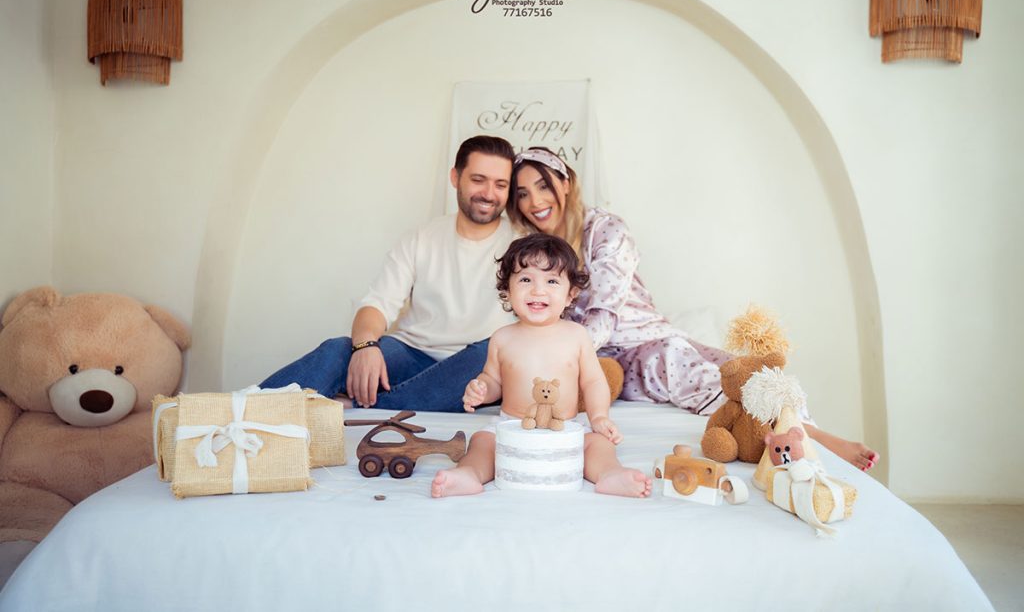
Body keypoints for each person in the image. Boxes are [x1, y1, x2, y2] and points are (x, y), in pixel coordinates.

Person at [508, 148, 879, 472]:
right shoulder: (534, 250)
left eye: (543, 186)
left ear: (566, 183)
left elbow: (605, 311)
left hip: (640, 339)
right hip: (602, 362)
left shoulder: (606, 230)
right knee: (666, 365)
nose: (534, 201)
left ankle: (806, 431)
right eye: (522, 194)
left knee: (735, 370)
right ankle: (794, 435)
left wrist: (561, 355)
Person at [259, 135, 517, 411]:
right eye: (478, 180)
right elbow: (377, 304)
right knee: (339, 348)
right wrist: (365, 346)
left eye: (500, 184)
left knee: (490, 352)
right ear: (455, 177)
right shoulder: (422, 238)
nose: (489, 193)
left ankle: (357, 406)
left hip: (473, 367)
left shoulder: (521, 244)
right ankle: (243, 410)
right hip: (413, 353)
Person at [431, 233, 652, 498]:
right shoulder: (502, 338)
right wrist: (481, 389)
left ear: (571, 295)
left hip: (566, 426)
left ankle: (609, 474)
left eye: (551, 281)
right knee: (482, 442)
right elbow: (494, 380)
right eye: (525, 280)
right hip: (512, 426)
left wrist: (599, 417)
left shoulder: (576, 335)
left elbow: (593, 381)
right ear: (507, 290)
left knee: (598, 444)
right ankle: (469, 474)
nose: (538, 290)